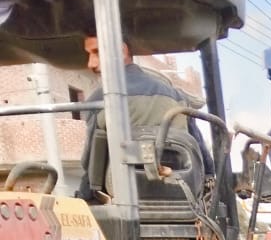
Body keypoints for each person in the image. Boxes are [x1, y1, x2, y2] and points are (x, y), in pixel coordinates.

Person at [76, 35, 213, 200]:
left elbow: (92, 167)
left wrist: (82, 200)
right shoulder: (177, 97)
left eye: (97, 52)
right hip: (181, 199)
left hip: (125, 205)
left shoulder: (99, 100)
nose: (91, 63)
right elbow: (205, 161)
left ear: (121, 50)